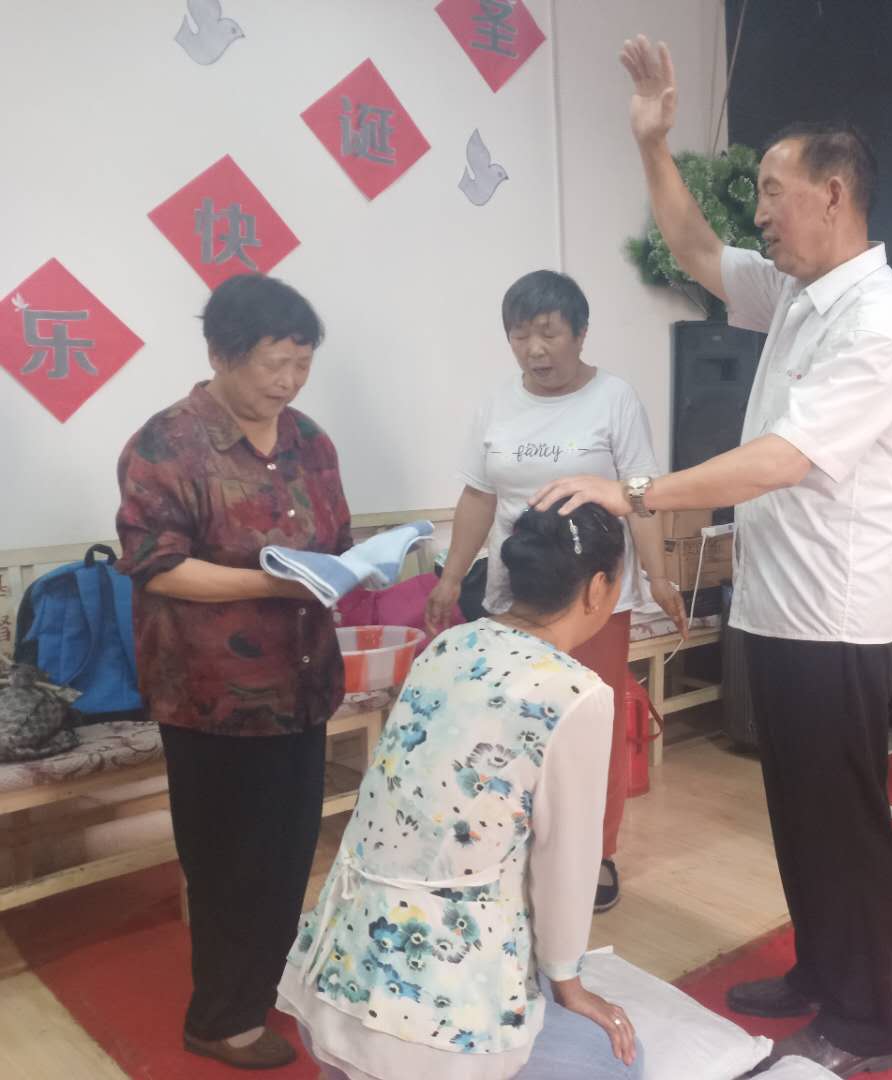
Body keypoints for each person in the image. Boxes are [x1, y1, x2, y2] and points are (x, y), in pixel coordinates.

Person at [533, 35, 892, 1078]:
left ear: (834, 193)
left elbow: (783, 459)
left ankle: (868, 1020)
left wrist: (638, 494)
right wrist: (653, 144)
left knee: (845, 823)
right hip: (776, 603)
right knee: (798, 813)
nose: (757, 211)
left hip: (838, 615)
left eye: (770, 189)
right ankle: (819, 971)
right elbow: (696, 251)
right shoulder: (802, 292)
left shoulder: (888, 321)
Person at [278, 505, 644, 1080]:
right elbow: (568, 863)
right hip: (434, 1024)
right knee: (618, 1059)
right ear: (600, 588)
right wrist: (568, 981)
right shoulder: (575, 693)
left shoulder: (449, 645)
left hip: (331, 975)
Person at [115, 273, 349, 1070]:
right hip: (211, 696)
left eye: (301, 365)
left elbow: (335, 543)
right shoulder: (166, 444)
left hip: (304, 684)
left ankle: (258, 987)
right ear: (220, 354)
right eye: (272, 365)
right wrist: (272, 582)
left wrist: (358, 569)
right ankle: (217, 1019)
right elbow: (155, 568)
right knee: (225, 863)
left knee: (286, 854)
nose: (287, 383)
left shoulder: (309, 441)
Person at [425, 270, 685, 913]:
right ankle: (519, 847)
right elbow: (478, 496)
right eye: (520, 336)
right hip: (516, 597)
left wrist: (657, 576)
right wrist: (453, 576)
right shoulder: (495, 404)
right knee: (515, 727)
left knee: (588, 727)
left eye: (548, 334)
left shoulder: (615, 399)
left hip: (593, 600)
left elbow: (643, 497)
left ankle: (594, 854)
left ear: (580, 332)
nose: (534, 350)